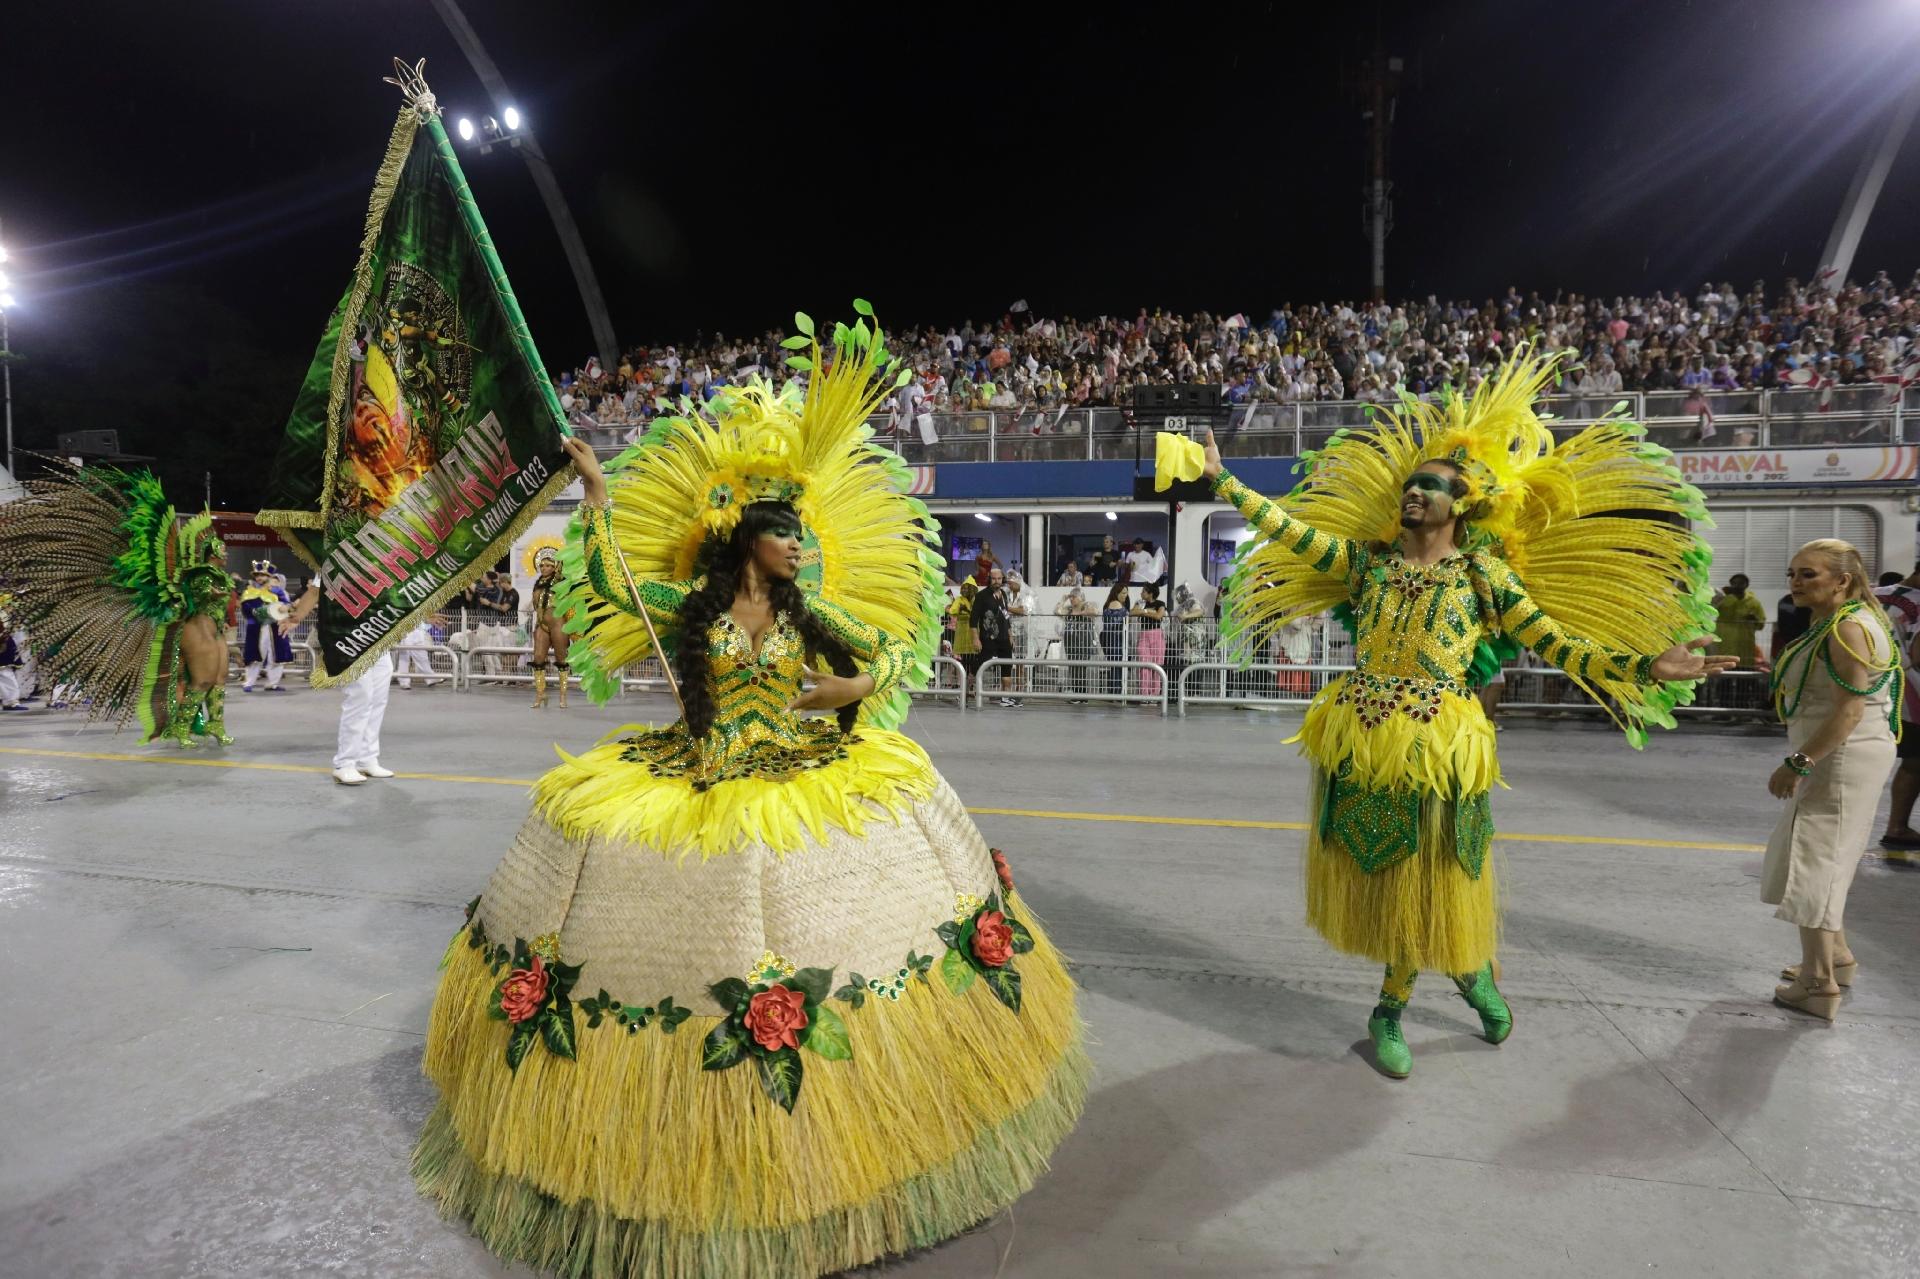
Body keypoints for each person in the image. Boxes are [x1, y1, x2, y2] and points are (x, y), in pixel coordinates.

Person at [413, 324, 1085, 1278]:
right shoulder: (691, 611)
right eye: (785, 536)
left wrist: (854, 691)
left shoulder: (809, 611)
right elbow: (607, 579)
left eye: (805, 537)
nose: (800, 549)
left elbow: (892, 650)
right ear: (745, 541)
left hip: (796, 769)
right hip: (698, 775)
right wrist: (595, 498)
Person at [1157, 349, 1730, 1078]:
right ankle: (1437, 986)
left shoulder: (1484, 574)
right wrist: (1222, 479)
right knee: (1392, 876)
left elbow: (1556, 643)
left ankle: (1434, 989)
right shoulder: (1367, 565)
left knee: (1443, 875)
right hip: (1365, 739)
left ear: (1462, 504)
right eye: (1411, 483)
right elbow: (1287, 528)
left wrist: (1646, 665)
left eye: (1431, 486)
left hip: (1441, 746)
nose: (1415, 493)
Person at [0, 463, 236, 746]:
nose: (226, 551)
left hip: (216, 630)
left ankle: (215, 724)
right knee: (202, 680)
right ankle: (182, 727)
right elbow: (198, 597)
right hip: (198, 630)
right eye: (222, 548)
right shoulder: (199, 575)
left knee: (219, 679)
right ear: (212, 553)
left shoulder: (219, 576)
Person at [1765, 540, 1901, 1020]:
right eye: (1793, 573)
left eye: (1809, 574)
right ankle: (1836, 959)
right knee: (1828, 856)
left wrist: (1798, 762)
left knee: (1815, 862)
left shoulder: (1846, 628)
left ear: (1842, 580)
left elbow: (1849, 709)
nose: (1796, 583)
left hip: (1838, 759)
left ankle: (1818, 985)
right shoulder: (1849, 620)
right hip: (1845, 754)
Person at [286, 582, 396, 786]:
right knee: (360, 696)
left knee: (378, 699)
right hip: (347, 637)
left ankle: (367, 758)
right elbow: (314, 590)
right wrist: (296, 617)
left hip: (378, 635)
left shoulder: (383, 558)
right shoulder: (336, 556)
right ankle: (344, 763)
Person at [1872, 565, 1920, 847]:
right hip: (1910, 693)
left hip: (1870, 689)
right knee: (1914, 764)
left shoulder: (1873, 596)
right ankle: (1897, 827)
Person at [239, 560, 295, 693]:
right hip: (256, 627)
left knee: (276, 656)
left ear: (269, 577)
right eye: (257, 575)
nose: (259, 577)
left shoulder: (277, 591)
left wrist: (284, 607)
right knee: (254, 656)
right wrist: (254, 612)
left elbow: (287, 604)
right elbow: (245, 608)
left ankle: (273, 683)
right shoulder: (249, 591)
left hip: (275, 627)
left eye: (262, 575)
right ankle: (249, 683)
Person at [526, 548, 570, 709]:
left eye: (548, 565)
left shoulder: (559, 580)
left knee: (561, 659)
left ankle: (563, 696)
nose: (544, 568)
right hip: (542, 625)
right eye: (542, 565)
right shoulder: (537, 583)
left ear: (554, 567)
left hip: (558, 624)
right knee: (538, 658)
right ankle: (540, 694)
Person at [972, 565, 1017, 705]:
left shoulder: (1003, 594)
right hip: (987, 638)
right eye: (993, 579)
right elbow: (973, 620)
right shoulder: (981, 596)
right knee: (980, 667)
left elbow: (1006, 616)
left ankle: (1006, 698)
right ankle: (972, 694)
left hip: (1004, 638)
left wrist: (1010, 634)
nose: (996, 581)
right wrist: (975, 639)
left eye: (999, 578)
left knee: (1007, 668)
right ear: (989, 579)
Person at [1712, 575, 1766, 669]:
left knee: (1745, 676)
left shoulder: (1754, 602)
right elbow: (1710, 607)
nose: (1737, 586)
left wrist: (1755, 619)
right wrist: (1720, 593)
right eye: (1734, 583)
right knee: (1724, 675)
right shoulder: (1723, 599)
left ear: (1747, 585)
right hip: (1726, 643)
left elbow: (1761, 624)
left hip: (1745, 645)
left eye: (1741, 583)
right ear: (1730, 584)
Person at [1057, 585, 1098, 700]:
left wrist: (1080, 613)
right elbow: (1057, 611)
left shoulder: (1087, 606)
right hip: (1070, 644)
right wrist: (1062, 600)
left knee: (1081, 669)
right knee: (1073, 668)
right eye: (1070, 597)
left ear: (1080, 598)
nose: (1071, 599)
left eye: (1073, 597)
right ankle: (1076, 694)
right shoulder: (1069, 609)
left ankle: (1082, 695)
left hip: (1084, 643)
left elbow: (1095, 611)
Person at [1132, 582, 1168, 698]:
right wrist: (1149, 611)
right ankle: (1144, 695)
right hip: (1143, 634)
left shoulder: (1160, 603)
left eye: (1143, 591)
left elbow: (1159, 615)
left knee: (1157, 666)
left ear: (1150, 593)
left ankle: (1155, 695)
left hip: (1157, 634)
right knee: (1144, 664)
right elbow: (1132, 612)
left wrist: (1144, 612)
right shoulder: (1140, 602)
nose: (1141, 593)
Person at [1099, 583, 1131, 696]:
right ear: (1116, 593)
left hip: (1107, 640)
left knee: (1113, 666)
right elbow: (1127, 619)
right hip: (1117, 640)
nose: (1125, 595)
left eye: (1126, 593)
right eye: (1123, 593)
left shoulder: (1107, 605)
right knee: (1118, 667)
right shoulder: (1118, 605)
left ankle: (1112, 691)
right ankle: (1117, 692)